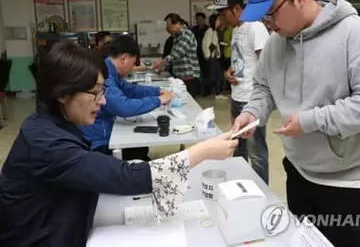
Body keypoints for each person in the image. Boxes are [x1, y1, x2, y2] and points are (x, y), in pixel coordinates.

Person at [0, 40, 238, 247]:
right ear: (62, 94)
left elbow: (94, 169)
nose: (102, 101)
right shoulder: (46, 143)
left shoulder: (48, 124)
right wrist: (204, 150)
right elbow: (126, 177)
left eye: (102, 91)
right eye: (95, 93)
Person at [233, 0, 360, 247]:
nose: (268, 25)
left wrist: (312, 121)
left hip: (349, 178)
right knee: (304, 241)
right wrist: (252, 111)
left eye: (271, 14)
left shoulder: (355, 34)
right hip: (299, 170)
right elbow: (263, 86)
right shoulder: (275, 43)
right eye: (262, 18)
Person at [208, 0, 270, 184]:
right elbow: (240, 62)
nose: (221, 18)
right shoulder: (235, 30)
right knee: (238, 148)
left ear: (236, 8)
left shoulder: (255, 27)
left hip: (252, 101)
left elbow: (267, 65)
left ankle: (262, 194)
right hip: (237, 97)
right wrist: (229, 72)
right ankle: (241, 187)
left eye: (223, 12)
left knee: (257, 152)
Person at [80, 35, 174, 161]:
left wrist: (158, 91)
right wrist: (159, 100)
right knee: (139, 145)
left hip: (108, 127)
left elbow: (130, 89)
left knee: (141, 145)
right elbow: (123, 107)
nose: (132, 68)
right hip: (100, 140)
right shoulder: (105, 74)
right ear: (124, 58)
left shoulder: (111, 70)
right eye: (133, 63)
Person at [153, 13, 200, 97]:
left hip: (189, 76)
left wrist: (162, 63)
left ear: (178, 24)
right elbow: (172, 57)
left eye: (170, 27)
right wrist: (163, 67)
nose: (168, 30)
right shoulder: (176, 36)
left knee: (187, 103)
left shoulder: (186, 34)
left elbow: (177, 53)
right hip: (180, 76)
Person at [202, 13, 223, 97]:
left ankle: (218, 93)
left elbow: (214, 44)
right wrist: (208, 55)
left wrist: (217, 53)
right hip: (211, 57)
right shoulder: (210, 31)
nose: (219, 22)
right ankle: (204, 88)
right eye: (218, 20)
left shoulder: (214, 31)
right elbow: (206, 44)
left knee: (217, 76)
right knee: (212, 77)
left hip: (214, 56)